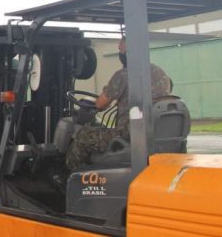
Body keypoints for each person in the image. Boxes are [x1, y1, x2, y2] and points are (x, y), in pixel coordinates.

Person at [65, 39, 172, 170]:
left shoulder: (123, 75)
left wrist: (101, 103)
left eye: (122, 49)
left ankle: (74, 179)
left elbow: (100, 104)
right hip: (152, 132)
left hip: (127, 135)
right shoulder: (161, 74)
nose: (120, 50)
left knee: (82, 135)